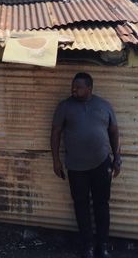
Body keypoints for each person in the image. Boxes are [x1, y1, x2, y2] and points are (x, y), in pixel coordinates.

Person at [51, 73, 121, 258]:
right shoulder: (65, 107)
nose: (74, 89)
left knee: (101, 204)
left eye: (78, 87)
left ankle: (103, 245)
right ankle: (87, 245)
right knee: (81, 205)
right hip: (76, 166)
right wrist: (56, 160)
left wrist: (118, 158)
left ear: (89, 88)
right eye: (73, 86)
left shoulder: (104, 106)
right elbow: (56, 133)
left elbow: (114, 132)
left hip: (101, 163)